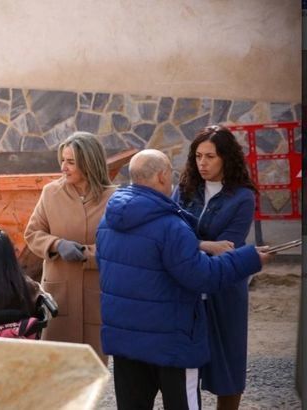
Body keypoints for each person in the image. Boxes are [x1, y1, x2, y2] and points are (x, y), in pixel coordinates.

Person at [96, 149, 271, 409]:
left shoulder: (107, 222)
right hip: (173, 343)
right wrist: (248, 259)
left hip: (125, 342)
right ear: (162, 176)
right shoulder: (170, 226)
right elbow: (203, 277)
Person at [174, 125, 258, 410]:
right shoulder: (185, 189)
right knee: (182, 368)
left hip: (226, 288)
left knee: (229, 364)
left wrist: (191, 245)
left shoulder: (243, 197)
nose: (202, 163)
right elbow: (171, 235)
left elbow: (230, 248)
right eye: (198, 156)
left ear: (226, 158)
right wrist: (205, 245)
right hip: (185, 286)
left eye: (210, 156)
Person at [24, 131, 116, 361]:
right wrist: (57, 244)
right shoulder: (51, 193)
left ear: (89, 163)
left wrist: (87, 254)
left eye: (71, 162)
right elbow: (33, 233)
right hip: (59, 295)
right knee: (57, 368)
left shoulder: (114, 198)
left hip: (96, 295)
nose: (63, 167)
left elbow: (119, 246)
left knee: (93, 370)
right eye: (62, 160)